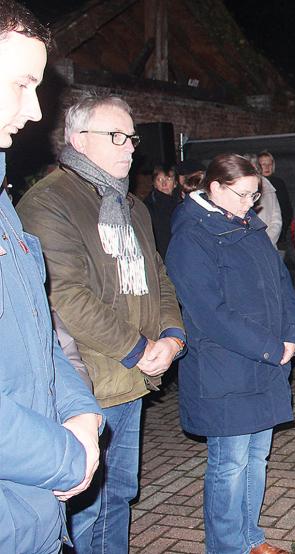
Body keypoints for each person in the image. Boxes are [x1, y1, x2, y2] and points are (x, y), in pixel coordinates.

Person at [17, 95, 187, 554]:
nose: (129, 146)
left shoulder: (132, 206)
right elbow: (65, 296)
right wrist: (138, 349)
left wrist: (172, 338)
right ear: (76, 139)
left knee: (118, 498)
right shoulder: (49, 202)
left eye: (130, 136)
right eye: (115, 136)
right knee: (85, 508)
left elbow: (159, 277)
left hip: (131, 379)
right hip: (86, 383)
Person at [0, 3, 104, 552]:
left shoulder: (3, 208)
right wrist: (66, 457)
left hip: (35, 514)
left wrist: (82, 411)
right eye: (21, 84)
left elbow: (37, 337)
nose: (36, 111)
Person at [166, 153, 295, 554]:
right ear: (215, 188)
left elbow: (283, 284)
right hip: (225, 369)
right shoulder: (192, 237)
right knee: (229, 464)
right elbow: (209, 313)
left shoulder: (247, 226)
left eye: (255, 194)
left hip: (264, 364)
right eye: (244, 195)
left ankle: (250, 538)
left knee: (257, 456)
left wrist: (293, 334)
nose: (252, 203)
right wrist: (269, 347)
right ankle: (227, 546)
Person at [258, 150, 293, 257]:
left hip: (279, 237)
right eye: (264, 164)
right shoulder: (254, 184)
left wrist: (281, 232)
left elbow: (286, 210)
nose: (267, 167)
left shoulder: (279, 183)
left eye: (270, 164)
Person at [245, 153, 282, 248]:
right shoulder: (236, 191)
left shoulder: (269, 189)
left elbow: (276, 219)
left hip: (269, 244)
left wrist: (267, 240)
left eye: (255, 169)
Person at [144, 165, 179, 257]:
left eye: (168, 179)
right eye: (159, 180)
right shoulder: (148, 207)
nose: (164, 184)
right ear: (154, 184)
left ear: (175, 183)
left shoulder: (181, 205)